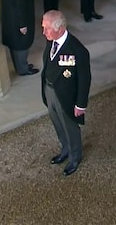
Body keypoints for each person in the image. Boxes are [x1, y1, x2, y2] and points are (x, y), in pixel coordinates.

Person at [41, 10, 91, 176]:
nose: (44, 32)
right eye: (43, 28)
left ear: (60, 28)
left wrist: (80, 105)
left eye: (47, 28)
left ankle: (75, 157)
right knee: (58, 124)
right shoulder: (51, 41)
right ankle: (65, 149)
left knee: (70, 127)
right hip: (50, 90)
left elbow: (85, 79)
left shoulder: (78, 50)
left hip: (67, 97)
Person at [1, 0, 37, 76]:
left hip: (10, 21)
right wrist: (23, 25)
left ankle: (20, 66)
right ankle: (23, 69)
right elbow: (19, 6)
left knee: (14, 45)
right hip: (18, 22)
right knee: (21, 45)